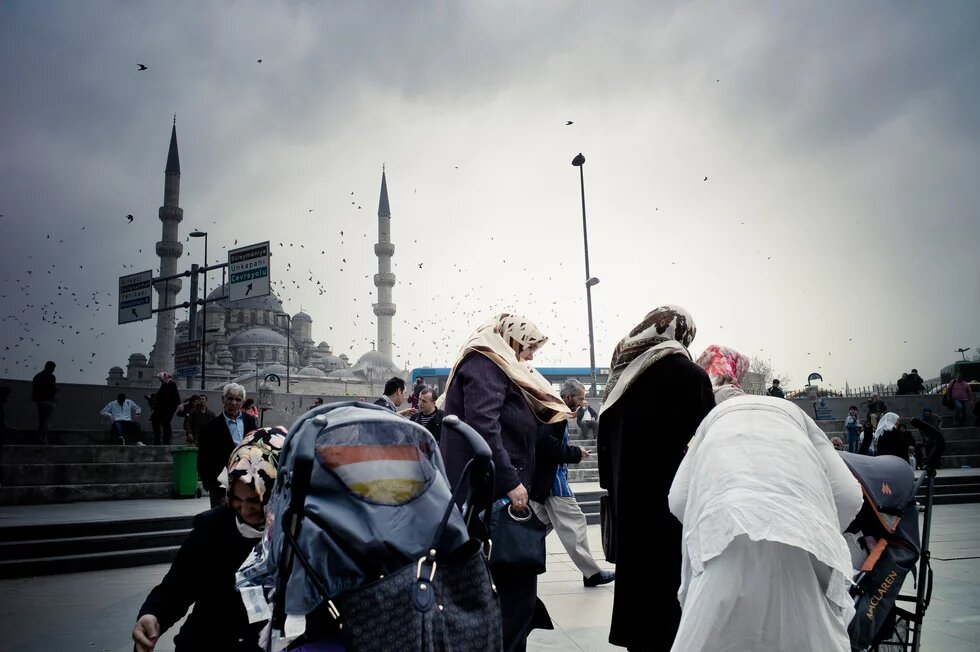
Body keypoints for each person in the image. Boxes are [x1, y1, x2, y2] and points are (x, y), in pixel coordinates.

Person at [668, 384, 863, 652]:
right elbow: (850, 495)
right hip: (800, 552)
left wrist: (711, 530)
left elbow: (678, 499)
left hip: (722, 550)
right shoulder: (794, 414)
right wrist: (813, 532)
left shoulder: (711, 422)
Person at [439, 313, 573, 652]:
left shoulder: (494, 363)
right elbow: (484, 426)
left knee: (510, 595)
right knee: (515, 596)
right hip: (490, 495)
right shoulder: (487, 362)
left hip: (489, 492)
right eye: (529, 347)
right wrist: (511, 482)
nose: (530, 356)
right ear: (511, 339)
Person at [597, 305, 715, 651]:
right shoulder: (690, 376)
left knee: (640, 598)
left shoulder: (623, 379)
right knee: (672, 599)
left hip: (629, 507)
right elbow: (709, 445)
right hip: (673, 509)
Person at [132, 426, 285, 652]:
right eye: (236, 498)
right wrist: (153, 614)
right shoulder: (213, 528)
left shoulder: (295, 537)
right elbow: (178, 585)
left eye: (254, 500)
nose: (244, 509)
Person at [530, 378, 614, 587]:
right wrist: (576, 452)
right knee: (576, 523)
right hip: (555, 483)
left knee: (535, 528)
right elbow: (548, 449)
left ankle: (515, 564)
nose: (583, 402)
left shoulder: (553, 412)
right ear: (568, 397)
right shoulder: (556, 415)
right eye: (580, 398)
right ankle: (591, 573)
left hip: (545, 483)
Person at [197, 383, 258, 508]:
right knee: (221, 523)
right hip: (221, 485)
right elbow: (203, 460)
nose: (233, 403)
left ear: (242, 402)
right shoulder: (210, 428)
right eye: (230, 398)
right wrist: (213, 487)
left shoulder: (250, 421)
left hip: (246, 483)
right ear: (223, 400)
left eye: (238, 399)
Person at [150, 371, 182, 445]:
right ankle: (161, 441)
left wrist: (179, 404)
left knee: (165, 424)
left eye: (160, 378)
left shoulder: (171, 384)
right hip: (162, 409)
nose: (159, 379)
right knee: (162, 424)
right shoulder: (165, 384)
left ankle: (164, 442)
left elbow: (176, 395)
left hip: (166, 410)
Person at [31, 360, 57, 444]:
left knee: (42, 421)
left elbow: (34, 390)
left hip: (40, 402)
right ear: (51, 368)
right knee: (46, 422)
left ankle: (40, 438)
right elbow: (52, 389)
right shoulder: (51, 377)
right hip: (48, 402)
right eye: (53, 368)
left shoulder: (37, 376)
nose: (53, 370)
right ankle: (43, 439)